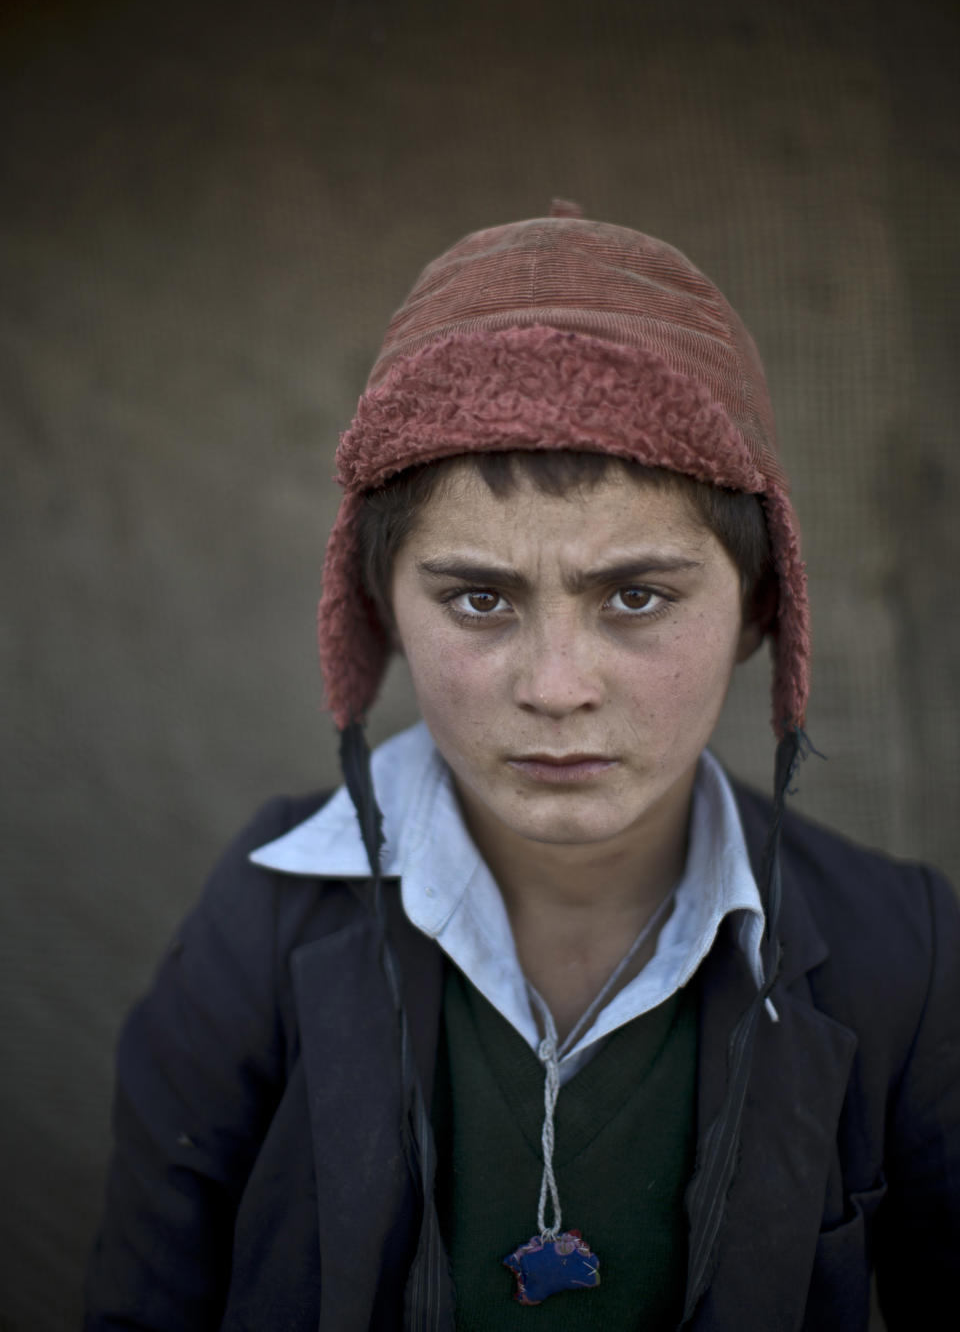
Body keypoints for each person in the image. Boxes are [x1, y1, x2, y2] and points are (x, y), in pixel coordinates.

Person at [85, 204, 960, 1331]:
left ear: (758, 610)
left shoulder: (903, 955)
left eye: (636, 598)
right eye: (480, 600)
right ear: (379, 614)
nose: (556, 685)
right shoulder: (262, 926)